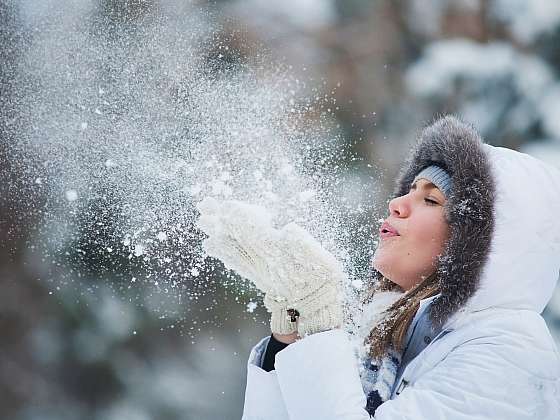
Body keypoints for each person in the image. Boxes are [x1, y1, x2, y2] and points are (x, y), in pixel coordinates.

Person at [196, 115, 560, 419]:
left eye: (430, 199)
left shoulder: (508, 355)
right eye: (410, 189)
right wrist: (292, 335)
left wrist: (321, 324)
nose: (397, 202)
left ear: (479, 240)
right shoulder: (399, 335)